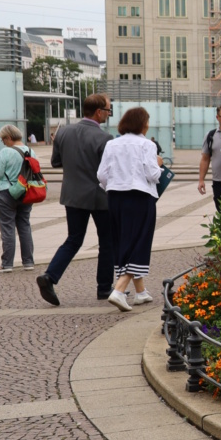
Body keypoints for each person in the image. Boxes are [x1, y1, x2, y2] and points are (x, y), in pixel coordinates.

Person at [36, 94, 115, 306]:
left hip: (72, 194)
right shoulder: (105, 138)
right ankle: (104, 288)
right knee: (107, 242)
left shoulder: (63, 132)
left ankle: (50, 276)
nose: (109, 114)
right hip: (99, 196)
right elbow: (109, 171)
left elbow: (55, 162)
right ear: (99, 112)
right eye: (108, 110)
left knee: (73, 239)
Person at [97, 107, 162, 312]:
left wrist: (114, 185)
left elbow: (101, 175)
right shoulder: (147, 145)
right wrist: (160, 166)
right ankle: (119, 289)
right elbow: (152, 174)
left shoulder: (112, 143)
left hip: (115, 196)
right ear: (142, 123)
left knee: (124, 240)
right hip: (140, 196)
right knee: (139, 242)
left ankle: (141, 292)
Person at [0, 125, 36, 273]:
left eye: (3, 139)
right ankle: (28, 262)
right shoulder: (31, 151)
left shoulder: (6, 151)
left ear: (9, 137)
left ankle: (7, 264)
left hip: (5, 192)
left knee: (7, 227)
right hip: (26, 192)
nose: (3, 142)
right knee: (24, 226)